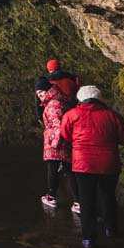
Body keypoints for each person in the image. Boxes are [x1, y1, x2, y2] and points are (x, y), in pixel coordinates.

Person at [59, 85, 124, 248]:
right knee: (108, 196)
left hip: (82, 164)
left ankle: (88, 238)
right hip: (109, 163)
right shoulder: (112, 116)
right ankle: (110, 229)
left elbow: (65, 134)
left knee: (86, 200)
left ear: (80, 99)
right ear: (100, 99)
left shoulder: (71, 115)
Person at [36, 76, 78, 213]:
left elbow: (58, 126)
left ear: (48, 91)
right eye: (38, 95)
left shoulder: (53, 104)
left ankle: (52, 196)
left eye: (42, 93)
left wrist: (54, 144)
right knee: (68, 170)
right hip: (61, 142)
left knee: (54, 170)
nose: (40, 97)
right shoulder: (57, 100)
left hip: (56, 144)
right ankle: (78, 201)